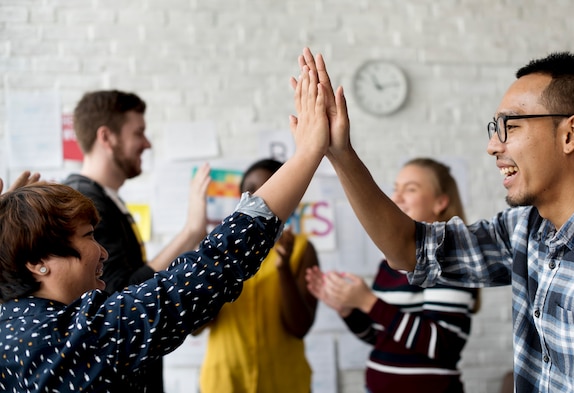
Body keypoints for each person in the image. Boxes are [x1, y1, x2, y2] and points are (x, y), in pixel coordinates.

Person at [293, 47, 574, 392]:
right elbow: (410, 249)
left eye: (509, 125)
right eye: (495, 128)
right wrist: (340, 153)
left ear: (570, 134)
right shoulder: (524, 228)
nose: (493, 146)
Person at [0, 65, 330, 393]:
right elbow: (209, 270)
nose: (102, 251)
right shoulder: (86, 334)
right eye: (88, 236)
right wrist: (308, 152)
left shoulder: (10, 326)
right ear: (35, 261)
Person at [62, 90, 210, 391]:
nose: (147, 143)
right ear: (107, 137)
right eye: (138, 133)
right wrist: (191, 233)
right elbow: (121, 295)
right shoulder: (86, 203)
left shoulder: (102, 200)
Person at [306, 158, 479, 393]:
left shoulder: (451, 260)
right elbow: (380, 339)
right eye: (396, 189)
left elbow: (441, 345)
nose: (396, 198)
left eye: (410, 189)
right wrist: (347, 308)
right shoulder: (387, 266)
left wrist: (368, 302)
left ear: (441, 202)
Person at [197, 158, 319, 393]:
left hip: (284, 381)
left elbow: (300, 327)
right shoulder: (217, 248)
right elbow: (195, 328)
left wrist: (283, 269)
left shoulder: (302, 249)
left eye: (270, 189)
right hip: (224, 381)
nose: (259, 199)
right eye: (250, 191)